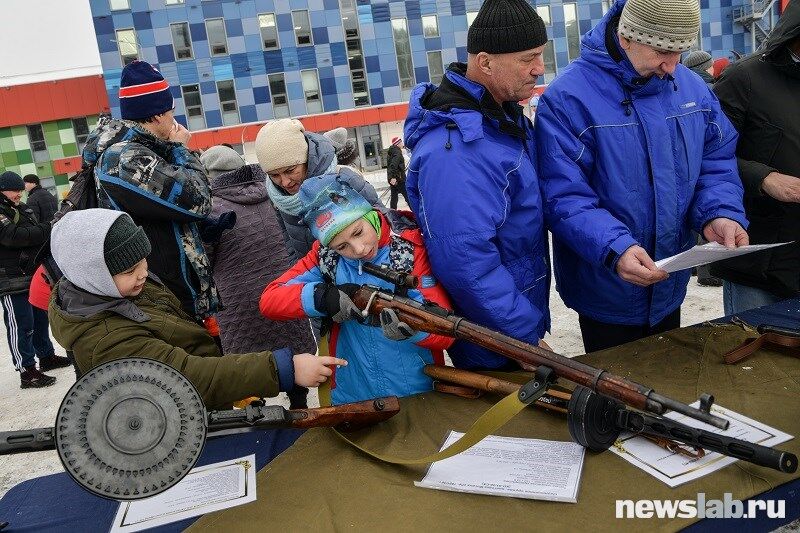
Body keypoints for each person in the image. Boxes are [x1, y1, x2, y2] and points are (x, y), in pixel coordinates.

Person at [535, 0, 749, 353]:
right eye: (663, 51)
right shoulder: (568, 98)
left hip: (671, 279)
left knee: (665, 385)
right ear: (627, 37)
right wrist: (615, 248)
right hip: (607, 286)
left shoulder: (691, 88)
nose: (672, 66)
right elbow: (563, 195)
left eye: (681, 51)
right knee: (617, 395)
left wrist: (719, 212)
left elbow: (716, 160)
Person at [47, 208, 343, 409]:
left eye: (143, 262)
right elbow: (185, 375)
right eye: (129, 270)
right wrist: (283, 369)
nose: (142, 274)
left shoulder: (124, 290)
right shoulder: (106, 339)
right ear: (92, 275)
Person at [403, 0, 550, 370]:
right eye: (528, 58)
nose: (540, 68)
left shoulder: (498, 121)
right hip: (493, 341)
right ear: (485, 63)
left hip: (507, 323)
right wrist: (524, 336)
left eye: (541, 55)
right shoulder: (455, 150)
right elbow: (465, 262)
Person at [260, 175, 454, 405]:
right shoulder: (326, 257)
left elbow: (446, 335)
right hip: (350, 394)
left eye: (358, 232)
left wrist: (415, 330)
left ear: (370, 215)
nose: (359, 249)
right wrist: (323, 297)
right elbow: (269, 300)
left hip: (415, 391)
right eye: (342, 246)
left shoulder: (409, 250)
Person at [85, 60, 220, 323]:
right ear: (158, 114)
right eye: (170, 111)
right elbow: (200, 201)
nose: (173, 118)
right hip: (161, 297)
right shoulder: (126, 158)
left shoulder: (142, 151)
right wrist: (181, 149)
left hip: (168, 292)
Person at [200, 145, 317, 408]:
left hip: (238, 303)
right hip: (284, 291)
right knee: (293, 350)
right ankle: (300, 406)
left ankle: (259, 417)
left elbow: (203, 260)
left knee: (247, 366)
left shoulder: (211, 209)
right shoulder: (275, 194)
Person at [710, 2, 800, 314]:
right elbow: (705, 158)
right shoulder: (744, 78)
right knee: (753, 355)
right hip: (759, 263)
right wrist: (763, 178)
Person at [255, 119, 383, 261]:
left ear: (307, 159)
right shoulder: (279, 198)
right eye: (274, 175)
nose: (284, 182)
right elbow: (290, 246)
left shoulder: (343, 179)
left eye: (290, 170)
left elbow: (383, 221)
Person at [0, 171, 71, 388]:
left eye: (21, 190)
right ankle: (27, 370)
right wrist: (43, 229)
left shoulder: (23, 209)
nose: (19, 194)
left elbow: (33, 234)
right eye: (15, 190)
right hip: (9, 279)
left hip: (31, 274)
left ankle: (46, 357)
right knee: (21, 324)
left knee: (40, 319)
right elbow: (13, 237)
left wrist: (38, 231)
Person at [681, 50, 724, 287]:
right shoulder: (707, 90)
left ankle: (693, 268)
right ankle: (706, 270)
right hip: (698, 165)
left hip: (688, 167)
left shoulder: (684, 88)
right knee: (706, 220)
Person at [386, 137, 409, 209]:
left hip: (395, 178)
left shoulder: (392, 151)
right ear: (398, 143)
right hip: (399, 179)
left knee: (394, 198)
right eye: (401, 142)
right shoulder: (397, 152)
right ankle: (416, 214)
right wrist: (393, 177)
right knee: (408, 197)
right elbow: (393, 165)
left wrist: (391, 178)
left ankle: (392, 215)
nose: (402, 144)